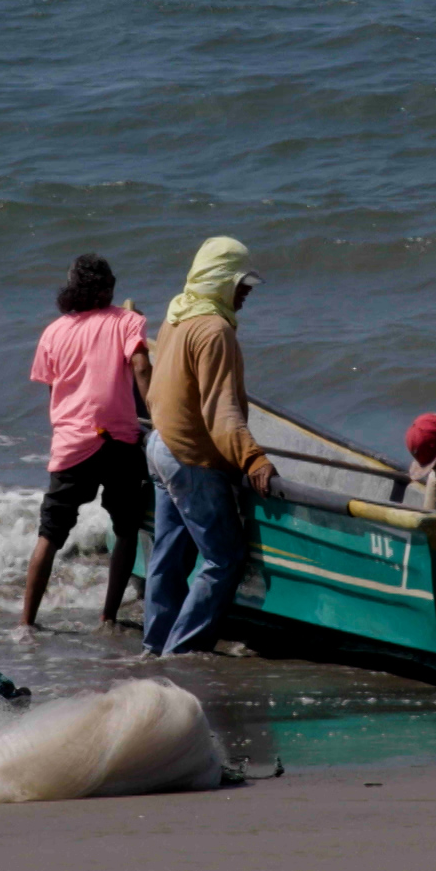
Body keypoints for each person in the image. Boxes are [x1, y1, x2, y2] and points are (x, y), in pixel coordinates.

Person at [142, 237, 276, 655]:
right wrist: (253, 458)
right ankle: (180, 654)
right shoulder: (215, 331)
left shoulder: (178, 315)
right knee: (224, 559)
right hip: (189, 459)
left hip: (160, 446)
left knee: (169, 556)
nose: (247, 292)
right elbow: (220, 410)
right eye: (241, 283)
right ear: (221, 280)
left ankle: (154, 646)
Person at [23, 254, 153, 640]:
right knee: (126, 528)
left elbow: (54, 390)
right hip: (119, 440)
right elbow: (141, 367)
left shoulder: (53, 332)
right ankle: (108, 617)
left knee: (49, 534)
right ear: (108, 288)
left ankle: (26, 623)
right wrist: (160, 415)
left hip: (72, 444)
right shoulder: (127, 321)